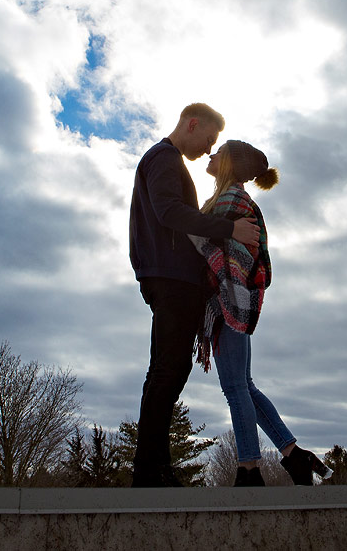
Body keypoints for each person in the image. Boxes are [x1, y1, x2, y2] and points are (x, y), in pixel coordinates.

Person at [129, 103, 261, 487]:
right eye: (208, 139)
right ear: (192, 123)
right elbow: (170, 212)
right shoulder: (165, 159)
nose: (207, 149)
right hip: (170, 278)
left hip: (169, 276)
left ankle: (152, 467)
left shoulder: (166, 161)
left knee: (168, 370)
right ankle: (149, 471)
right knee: (168, 370)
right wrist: (228, 229)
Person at [190, 139, 332, 487]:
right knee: (245, 386)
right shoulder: (229, 199)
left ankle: (250, 469)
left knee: (235, 388)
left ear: (229, 165)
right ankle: (295, 455)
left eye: (219, 152)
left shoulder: (231, 201)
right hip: (235, 302)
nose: (211, 155)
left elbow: (214, 246)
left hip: (229, 303)